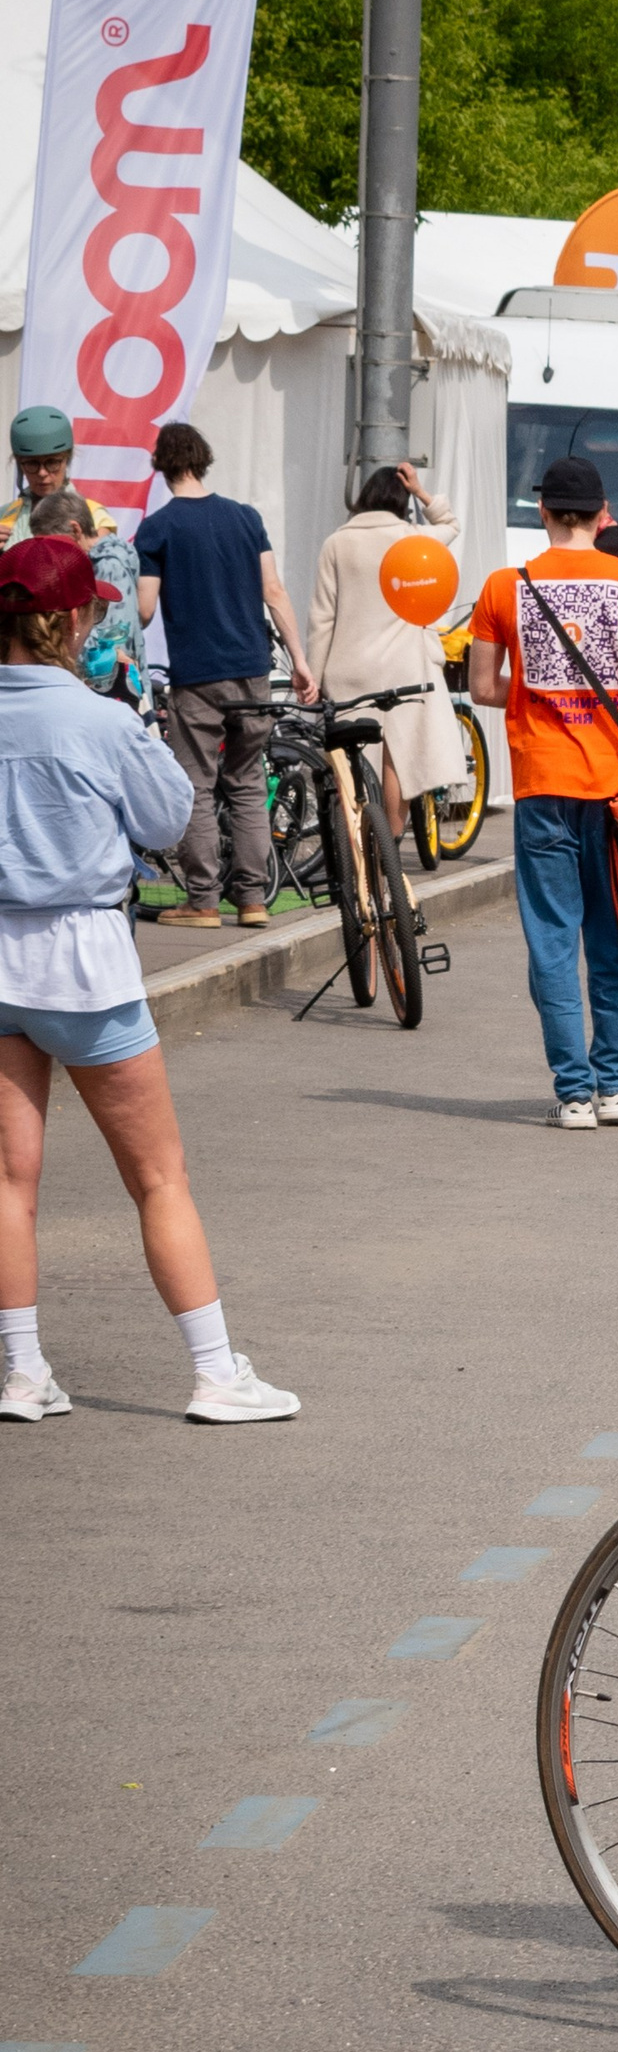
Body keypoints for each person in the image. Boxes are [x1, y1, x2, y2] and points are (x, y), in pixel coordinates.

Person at [0, 535, 297, 1422]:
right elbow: (172, 817)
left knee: (11, 1180)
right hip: (85, 962)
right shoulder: (100, 719)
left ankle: (21, 1369)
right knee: (158, 1177)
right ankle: (214, 1371)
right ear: (72, 620)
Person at [467, 452, 618, 1123]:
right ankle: (614, 1085)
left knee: (553, 939)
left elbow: (483, 687)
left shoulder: (504, 587)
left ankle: (573, 1093)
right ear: (602, 513)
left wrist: (535, 695)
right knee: (611, 941)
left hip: (542, 784)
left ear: (544, 511)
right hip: (617, 789)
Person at [132, 422, 318, 932]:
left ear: (161, 465)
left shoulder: (158, 528)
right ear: (203, 459)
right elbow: (274, 592)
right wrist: (300, 661)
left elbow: (145, 610)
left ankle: (203, 901)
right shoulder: (245, 518)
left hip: (198, 678)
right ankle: (253, 900)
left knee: (196, 785)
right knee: (247, 782)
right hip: (252, 673)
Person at [306, 463, 471, 835]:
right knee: (398, 759)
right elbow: (452, 525)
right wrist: (422, 492)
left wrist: (312, 679)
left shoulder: (337, 542)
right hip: (403, 669)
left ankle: (355, 848)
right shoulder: (413, 539)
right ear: (402, 500)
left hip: (349, 669)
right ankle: (391, 845)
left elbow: (322, 619)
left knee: (351, 761)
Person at [27, 492, 144, 706]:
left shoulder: (109, 565)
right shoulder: (90, 565)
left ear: (75, 529)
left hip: (114, 699)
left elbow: (115, 644)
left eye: (54, 544)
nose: (48, 553)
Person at [4, 405, 75, 544]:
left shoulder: (93, 515)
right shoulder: (4, 517)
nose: (42, 473)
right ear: (20, 464)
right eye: (32, 463)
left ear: (66, 460)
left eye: (52, 462)